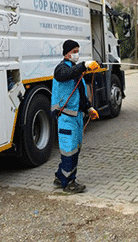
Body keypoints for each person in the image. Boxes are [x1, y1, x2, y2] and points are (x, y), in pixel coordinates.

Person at [52, 39, 99, 193]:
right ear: (67, 53)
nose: (76, 54)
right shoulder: (61, 69)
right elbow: (64, 75)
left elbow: (80, 93)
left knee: (74, 149)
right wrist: (84, 65)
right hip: (65, 117)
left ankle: (60, 178)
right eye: (74, 51)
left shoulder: (75, 70)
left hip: (76, 116)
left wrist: (89, 108)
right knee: (69, 150)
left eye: (78, 51)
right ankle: (69, 184)